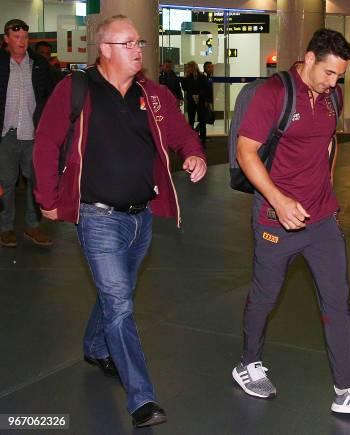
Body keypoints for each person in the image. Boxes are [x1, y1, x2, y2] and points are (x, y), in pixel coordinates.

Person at [33, 15, 206, 428]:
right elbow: (46, 141)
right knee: (120, 302)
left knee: (119, 294)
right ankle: (142, 398)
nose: (137, 50)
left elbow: (181, 132)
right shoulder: (76, 89)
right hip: (97, 218)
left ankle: (95, 345)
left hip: (141, 218)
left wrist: (194, 153)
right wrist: (46, 198)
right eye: (127, 43)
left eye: (139, 43)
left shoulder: (153, 94)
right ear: (105, 50)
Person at [232, 28, 350, 417]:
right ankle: (247, 363)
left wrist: (328, 188)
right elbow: (246, 152)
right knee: (266, 297)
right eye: (328, 73)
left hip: (321, 220)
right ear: (309, 58)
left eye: (340, 76)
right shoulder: (274, 94)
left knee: (337, 301)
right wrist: (279, 199)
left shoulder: (332, 95)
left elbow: (331, 141)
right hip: (275, 218)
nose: (333, 83)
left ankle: (346, 388)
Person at [0, 19, 54, 247]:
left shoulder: (40, 64)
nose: (21, 42)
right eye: (16, 37)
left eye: (24, 37)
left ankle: (33, 226)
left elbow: (51, 97)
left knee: (35, 182)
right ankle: (6, 228)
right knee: (6, 182)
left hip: (33, 133)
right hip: (6, 135)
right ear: (6, 39)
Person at [181, 60, 202, 129]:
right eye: (188, 67)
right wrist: (184, 78)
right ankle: (192, 133)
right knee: (191, 118)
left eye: (189, 67)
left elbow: (203, 87)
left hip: (200, 99)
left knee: (201, 119)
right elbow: (184, 88)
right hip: (191, 99)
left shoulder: (201, 76)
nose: (188, 69)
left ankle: (201, 135)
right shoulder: (187, 76)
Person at [198, 61, 214, 141]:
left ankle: (201, 134)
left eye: (212, 67)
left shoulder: (211, 76)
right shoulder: (203, 77)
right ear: (205, 68)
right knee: (204, 118)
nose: (211, 68)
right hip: (204, 101)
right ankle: (200, 135)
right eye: (209, 67)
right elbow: (203, 90)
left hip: (209, 100)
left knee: (207, 117)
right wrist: (206, 100)